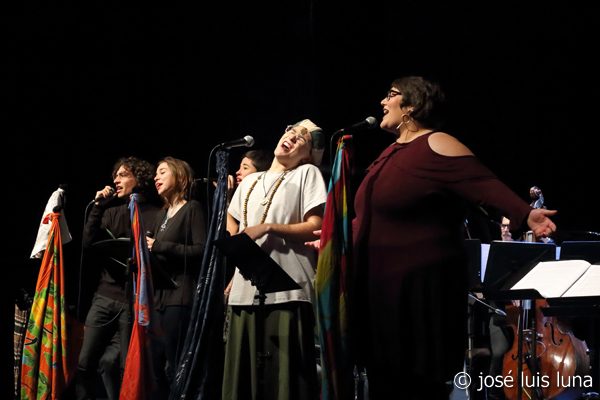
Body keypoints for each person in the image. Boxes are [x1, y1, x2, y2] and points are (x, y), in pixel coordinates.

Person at [350, 76, 557, 399]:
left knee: (414, 384)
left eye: (391, 94)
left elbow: (482, 184)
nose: (382, 102)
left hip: (418, 290)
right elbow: (374, 215)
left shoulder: (435, 143)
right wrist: (338, 237)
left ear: (412, 105)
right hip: (379, 289)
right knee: (382, 379)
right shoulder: (389, 152)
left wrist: (525, 213)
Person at [222, 119, 327, 400]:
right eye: (290, 132)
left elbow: (316, 226)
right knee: (243, 376)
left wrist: (269, 228)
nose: (292, 137)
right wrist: (235, 243)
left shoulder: (307, 173)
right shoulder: (251, 180)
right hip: (245, 289)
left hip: (288, 289)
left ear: (307, 155)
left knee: (285, 379)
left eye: (301, 139)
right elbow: (232, 219)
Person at [77, 156, 162, 400]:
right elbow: (88, 242)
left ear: (139, 179)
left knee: (126, 366)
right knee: (84, 362)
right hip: (104, 297)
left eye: (123, 175)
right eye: (115, 175)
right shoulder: (111, 211)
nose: (116, 180)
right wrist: (97, 206)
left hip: (132, 301)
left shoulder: (156, 214)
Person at [146, 156, 207, 399]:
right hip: (157, 297)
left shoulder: (192, 208)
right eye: (156, 174)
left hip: (180, 296)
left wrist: (159, 246)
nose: (156, 177)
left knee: (175, 362)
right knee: (154, 364)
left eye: (162, 172)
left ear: (179, 175)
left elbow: (201, 250)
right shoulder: (161, 215)